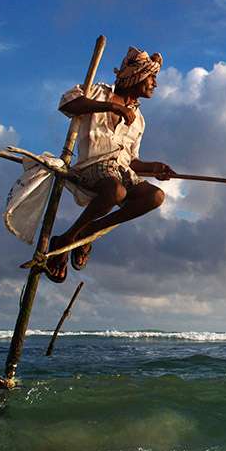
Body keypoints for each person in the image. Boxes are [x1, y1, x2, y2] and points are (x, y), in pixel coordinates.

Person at [44, 46, 176, 282]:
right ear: (136, 77)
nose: (155, 84)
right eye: (151, 77)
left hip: (120, 172)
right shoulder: (98, 92)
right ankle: (67, 240)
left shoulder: (139, 121)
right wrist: (112, 107)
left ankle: (87, 232)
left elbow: (131, 161)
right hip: (93, 166)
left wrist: (154, 167)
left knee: (155, 196)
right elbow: (67, 104)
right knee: (116, 191)